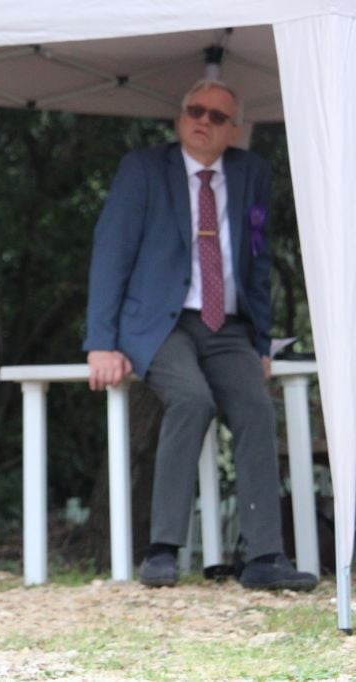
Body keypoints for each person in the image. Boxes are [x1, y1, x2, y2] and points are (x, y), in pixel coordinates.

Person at [83, 79, 317, 592]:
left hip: (230, 326)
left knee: (256, 409)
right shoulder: (144, 169)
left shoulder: (252, 173)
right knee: (191, 400)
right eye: (195, 110)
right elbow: (111, 250)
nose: (203, 121)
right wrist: (101, 340)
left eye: (217, 116)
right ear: (179, 116)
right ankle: (162, 549)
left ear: (235, 129)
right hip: (158, 323)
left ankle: (265, 558)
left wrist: (260, 341)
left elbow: (255, 260)